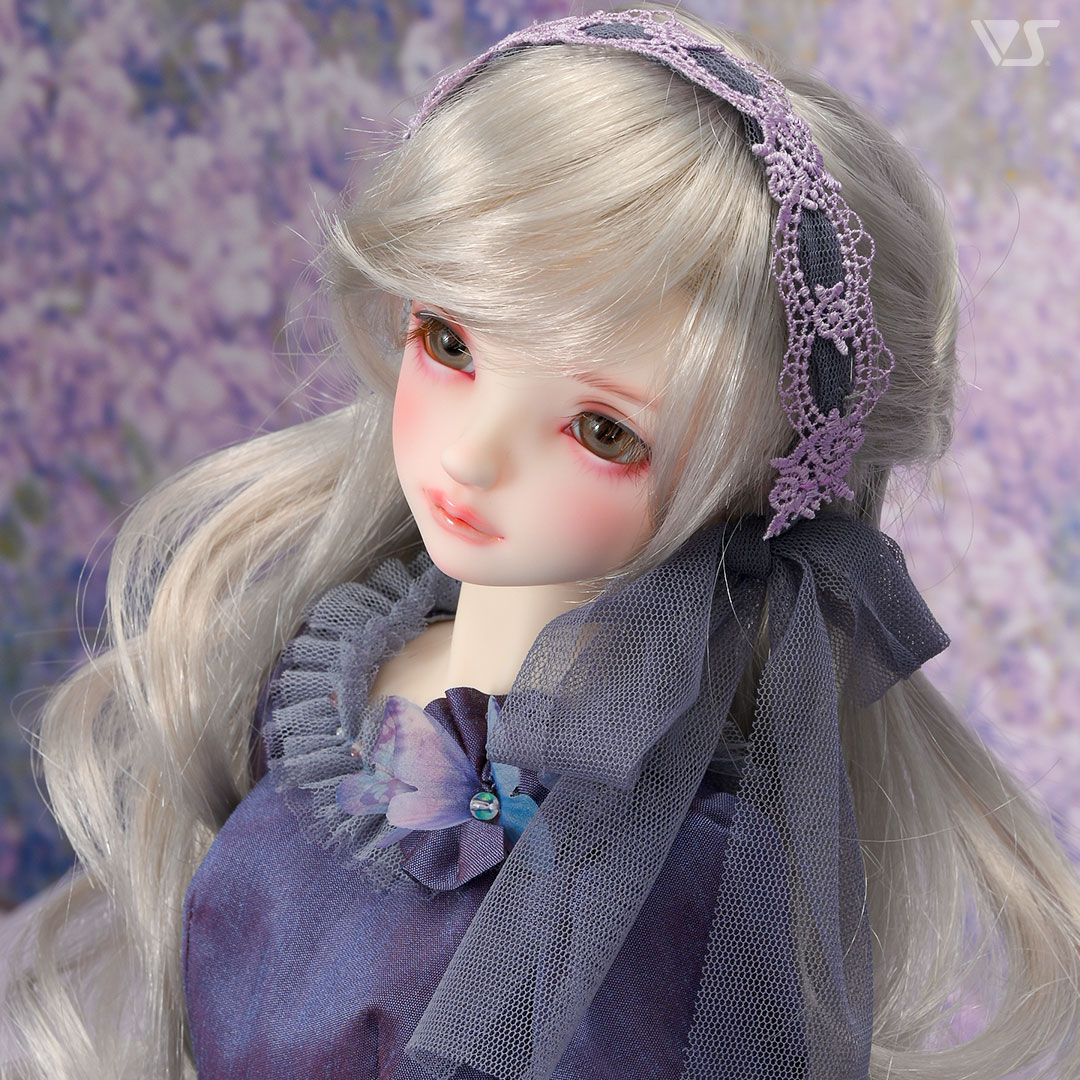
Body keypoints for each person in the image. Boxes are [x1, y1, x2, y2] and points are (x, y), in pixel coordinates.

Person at [4, 6, 1080, 1079]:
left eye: (603, 432)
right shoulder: (339, 663)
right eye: (448, 340)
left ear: (761, 488)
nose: (472, 456)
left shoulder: (658, 864)